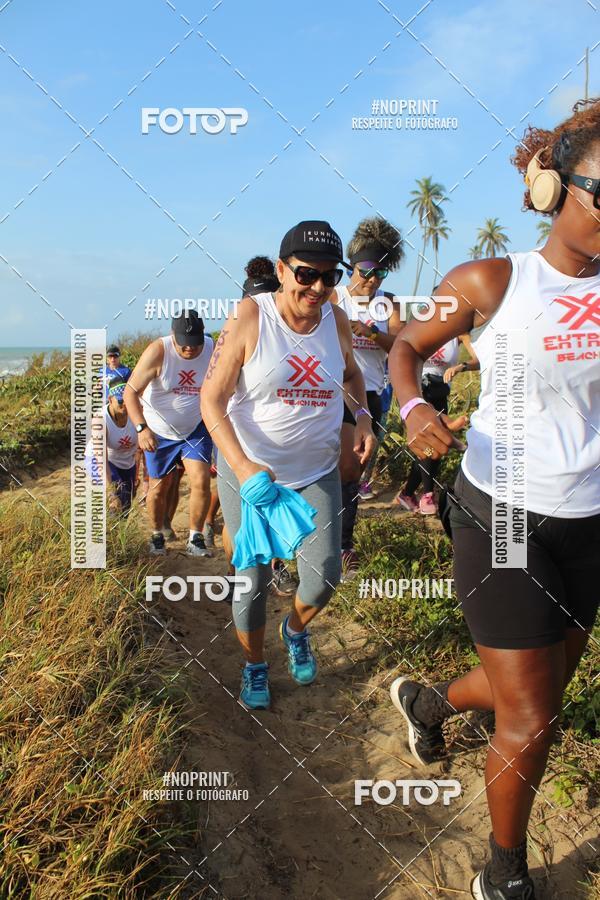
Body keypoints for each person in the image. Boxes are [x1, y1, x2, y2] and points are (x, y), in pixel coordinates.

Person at [388, 101, 600, 900]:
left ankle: (430, 703)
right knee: (532, 717)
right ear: (554, 189)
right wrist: (414, 411)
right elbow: (407, 345)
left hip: (590, 521)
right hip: (505, 510)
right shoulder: (496, 281)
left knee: (540, 683)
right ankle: (503, 874)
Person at [201, 220, 376, 709]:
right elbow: (210, 402)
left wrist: (362, 418)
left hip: (316, 470)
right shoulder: (249, 318)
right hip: (251, 470)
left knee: (323, 577)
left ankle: (295, 629)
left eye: (329, 277)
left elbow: (352, 376)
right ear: (281, 270)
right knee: (252, 579)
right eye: (305, 275)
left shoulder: (335, 320)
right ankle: (255, 666)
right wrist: (242, 466)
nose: (317, 288)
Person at [332, 216, 404, 578]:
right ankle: (323, 543)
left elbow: (403, 346)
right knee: (327, 469)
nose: (372, 280)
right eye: (367, 271)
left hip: (370, 397)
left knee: (353, 472)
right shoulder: (334, 297)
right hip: (330, 395)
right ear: (351, 268)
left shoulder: (388, 305)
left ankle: (343, 545)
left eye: (380, 273)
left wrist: (372, 334)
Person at [124, 310, 214, 557]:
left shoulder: (210, 347)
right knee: (158, 488)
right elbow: (130, 393)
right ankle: (156, 535)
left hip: (195, 428)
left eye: (195, 345)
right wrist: (142, 429)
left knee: (200, 480)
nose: (190, 351)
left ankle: (196, 537)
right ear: (173, 336)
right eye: (184, 346)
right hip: (158, 431)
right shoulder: (158, 351)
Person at [394, 325, 479, 514]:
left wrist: (461, 366)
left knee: (433, 446)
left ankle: (407, 493)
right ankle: (427, 494)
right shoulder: (420, 329)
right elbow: (400, 352)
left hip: (440, 391)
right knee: (429, 439)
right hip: (418, 391)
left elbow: (478, 359)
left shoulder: (459, 333)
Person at [85, 375, 140, 514]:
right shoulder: (100, 420)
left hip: (126, 460)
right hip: (99, 459)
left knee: (127, 502)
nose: (125, 406)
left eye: (128, 401)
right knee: (116, 499)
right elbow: (100, 460)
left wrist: (137, 476)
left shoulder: (139, 412)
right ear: (110, 400)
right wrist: (110, 493)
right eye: (121, 402)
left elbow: (140, 450)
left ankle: (120, 534)